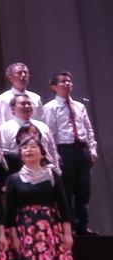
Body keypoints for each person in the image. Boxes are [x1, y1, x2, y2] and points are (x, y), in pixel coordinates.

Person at [6, 137, 81, 260]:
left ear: (42, 152)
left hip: (51, 230)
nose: (28, 150)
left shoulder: (51, 175)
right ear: (20, 154)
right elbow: (10, 213)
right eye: (24, 148)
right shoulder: (14, 179)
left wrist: (67, 233)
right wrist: (14, 237)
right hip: (27, 232)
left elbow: (64, 206)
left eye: (33, 147)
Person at [42, 71, 99, 235]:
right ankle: (68, 227)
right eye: (62, 82)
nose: (67, 84)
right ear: (54, 87)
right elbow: (50, 133)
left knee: (83, 190)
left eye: (69, 81)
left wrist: (92, 149)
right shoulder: (50, 107)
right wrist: (55, 155)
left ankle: (82, 225)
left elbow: (88, 129)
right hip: (64, 150)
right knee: (66, 190)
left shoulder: (79, 106)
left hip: (82, 149)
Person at [0, 94, 58, 162]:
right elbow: (3, 153)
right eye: (23, 104)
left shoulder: (43, 126)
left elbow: (51, 151)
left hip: (44, 166)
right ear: (13, 108)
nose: (27, 106)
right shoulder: (5, 128)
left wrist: (55, 166)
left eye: (29, 104)